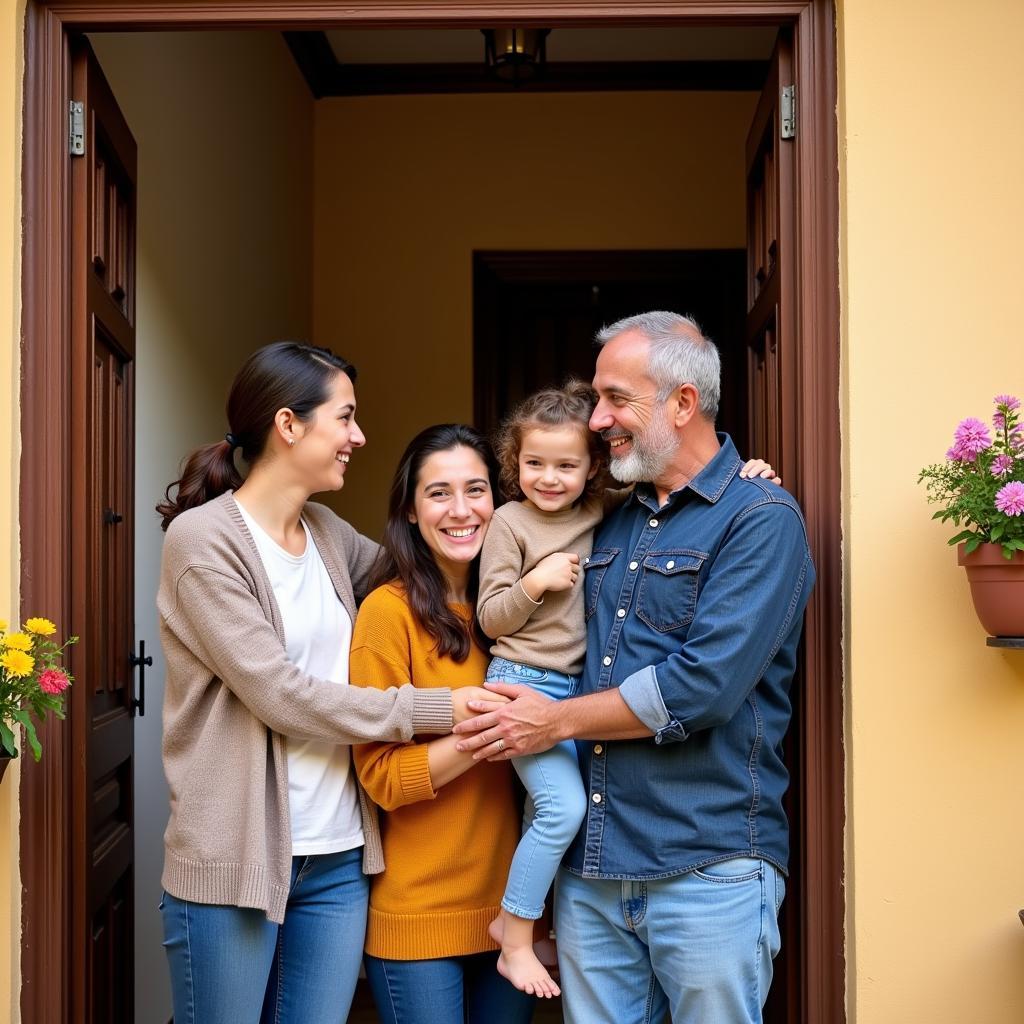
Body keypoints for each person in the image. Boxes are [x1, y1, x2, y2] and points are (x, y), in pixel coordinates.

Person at [455, 311, 816, 1024]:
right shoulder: (607, 518)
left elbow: (698, 688)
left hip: (706, 868)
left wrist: (549, 721)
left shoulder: (759, 517)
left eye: (616, 398)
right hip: (593, 875)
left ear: (683, 403)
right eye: (597, 399)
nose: (596, 419)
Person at [155, 342, 487, 1024]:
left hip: (337, 860)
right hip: (233, 866)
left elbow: (431, 567)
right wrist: (440, 709)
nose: (358, 437)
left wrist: (540, 520)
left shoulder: (326, 533)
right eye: (346, 418)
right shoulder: (203, 540)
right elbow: (279, 693)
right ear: (288, 425)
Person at [350, 424, 535, 1024]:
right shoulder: (388, 612)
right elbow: (379, 777)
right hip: (418, 915)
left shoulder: (520, 610)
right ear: (409, 507)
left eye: (476, 490)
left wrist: (735, 478)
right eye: (439, 493)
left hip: (514, 915)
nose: (462, 511)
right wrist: (485, 732)